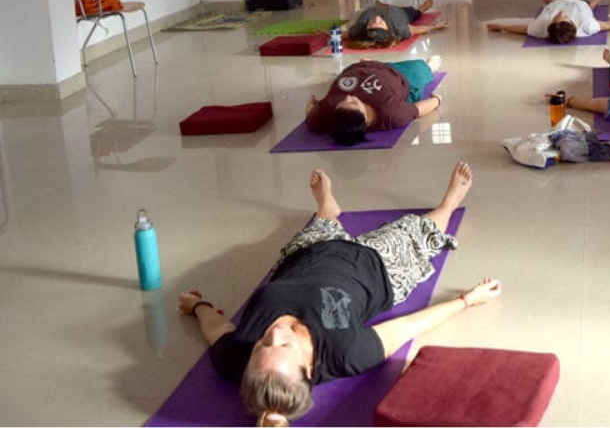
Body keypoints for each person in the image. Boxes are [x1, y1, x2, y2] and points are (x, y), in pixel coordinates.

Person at [178, 165, 502, 426]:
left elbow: (217, 330)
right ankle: (448, 204)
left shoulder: (234, 357)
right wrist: (467, 301)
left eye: (263, 345)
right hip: (377, 267)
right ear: (308, 369)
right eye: (285, 346)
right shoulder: (346, 352)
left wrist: (199, 306)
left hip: (306, 255)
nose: (274, 333)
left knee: (321, 224)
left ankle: (326, 207)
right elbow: (407, 327)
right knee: (417, 231)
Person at [305, 57, 443, 145]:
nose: (348, 97)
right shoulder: (391, 114)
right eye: (353, 103)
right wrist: (437, 100)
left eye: (341, 103)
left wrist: (311, 103)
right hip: (399, 75)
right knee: (422, 66)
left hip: (357, 68)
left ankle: (369, 62)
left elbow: (310, 111)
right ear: (365, 118)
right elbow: (418, 110)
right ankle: (429, 66)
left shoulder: (327, 114)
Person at [486, 0, 610, 43]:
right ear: (573, 24)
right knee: (590, 7)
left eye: (557, 18)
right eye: (564, 17)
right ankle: (596, 0)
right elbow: (607, 25)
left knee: (551, 7)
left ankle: (550, 2)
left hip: (554, 5)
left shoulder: (540, 29)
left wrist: (501, 27)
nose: (561, 14)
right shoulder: (587, 25)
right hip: (579, 5)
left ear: (551, 24)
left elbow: (520, 29)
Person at [343, 0, 447, 49]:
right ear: (387, 28)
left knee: (379, 9)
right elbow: (417, 29)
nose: (376, 19)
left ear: (366, 28)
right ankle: (422, 8)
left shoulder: (359, 28)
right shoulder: (399, 28)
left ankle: (380, 5)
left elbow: (339, 33)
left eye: (372, 23)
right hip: (400, 12)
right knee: (416, 14)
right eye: (380, 23)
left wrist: (327, 32)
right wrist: (435, 26)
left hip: (383, 9)